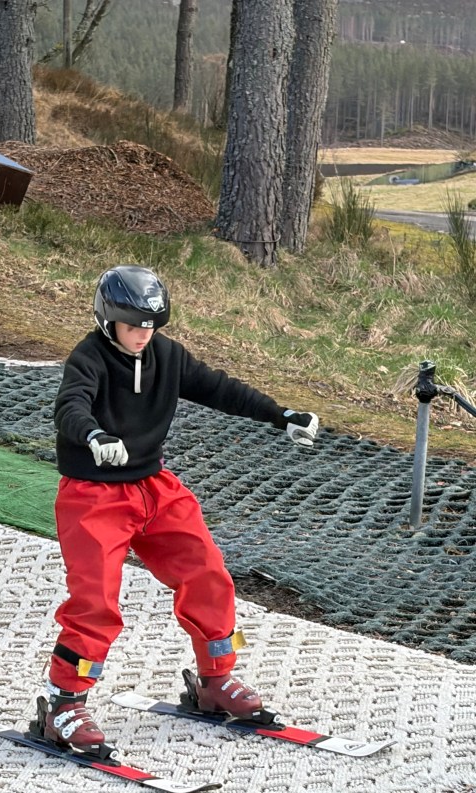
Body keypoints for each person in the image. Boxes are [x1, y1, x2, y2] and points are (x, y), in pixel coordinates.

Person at [39, 265, 318, 752]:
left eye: (151, 326)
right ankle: (64, 703)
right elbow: (70, 407)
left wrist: (281, 415)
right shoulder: (89, 358)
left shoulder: (166, 355)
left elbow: (219, 388)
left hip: (154, 487)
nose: (143, 335)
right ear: (107, 319)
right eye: (133, 326)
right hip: (94, 496)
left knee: (208, 573)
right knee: (96, 602)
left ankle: (216, 679)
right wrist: (94, 435)